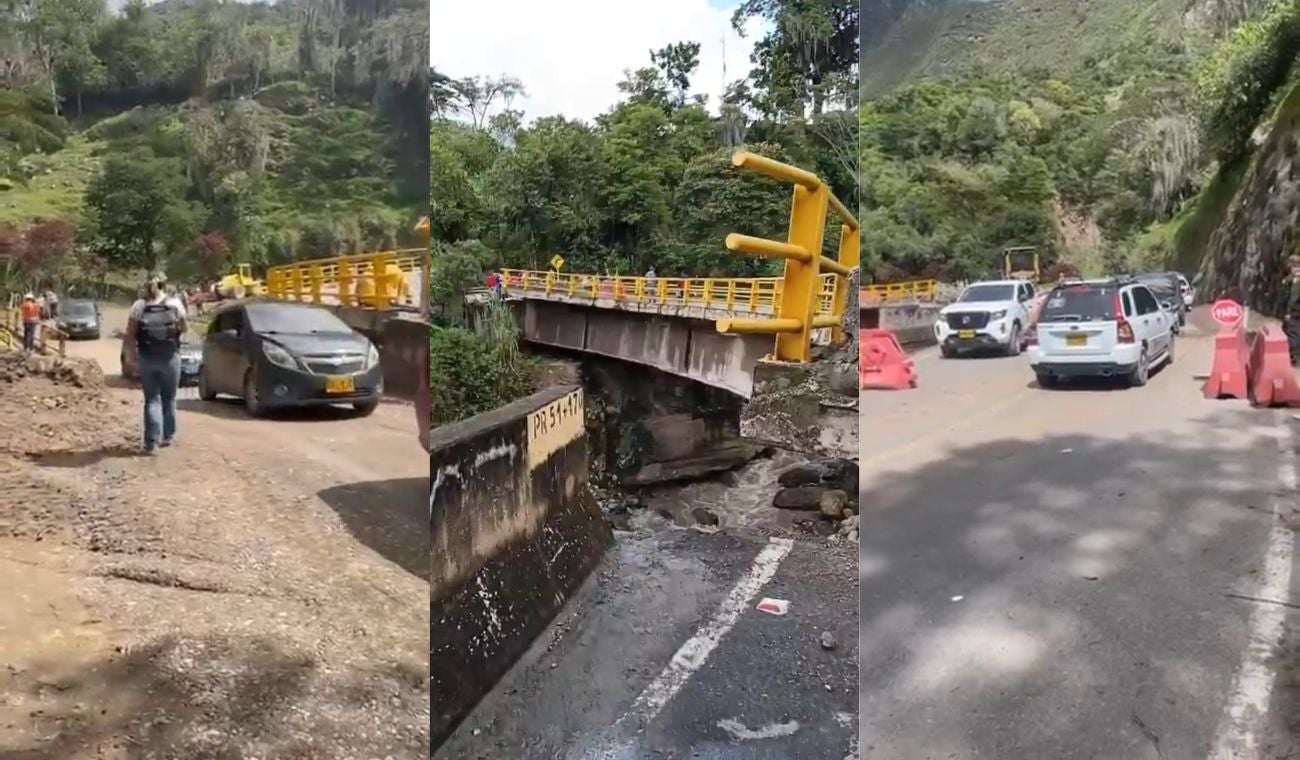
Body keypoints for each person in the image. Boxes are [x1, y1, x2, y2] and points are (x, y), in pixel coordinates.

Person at [126, 274, 188, 454]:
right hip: (170, 357)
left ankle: (151, 442)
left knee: (152, 399)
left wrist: (131, 358)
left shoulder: (139, 305)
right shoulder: (175, 303)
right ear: (164, 285)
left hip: (147, 357)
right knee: (169, 397)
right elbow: (184, 328)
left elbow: (130, 334)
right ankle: (168, 435)